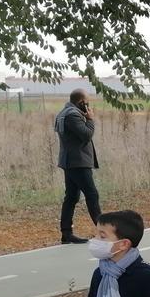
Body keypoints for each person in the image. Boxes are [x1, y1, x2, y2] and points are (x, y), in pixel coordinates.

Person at [55, 89, 102, 244]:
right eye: (87, 101)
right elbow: (86, 134)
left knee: (71, 197)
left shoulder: (63, 113)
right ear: (81, 102)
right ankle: (104, 232)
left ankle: (66, 233)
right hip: (77, 162)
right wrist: (90, 119)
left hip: (70, 161)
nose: (89, 104)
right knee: (92, 195)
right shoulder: (73, 115)